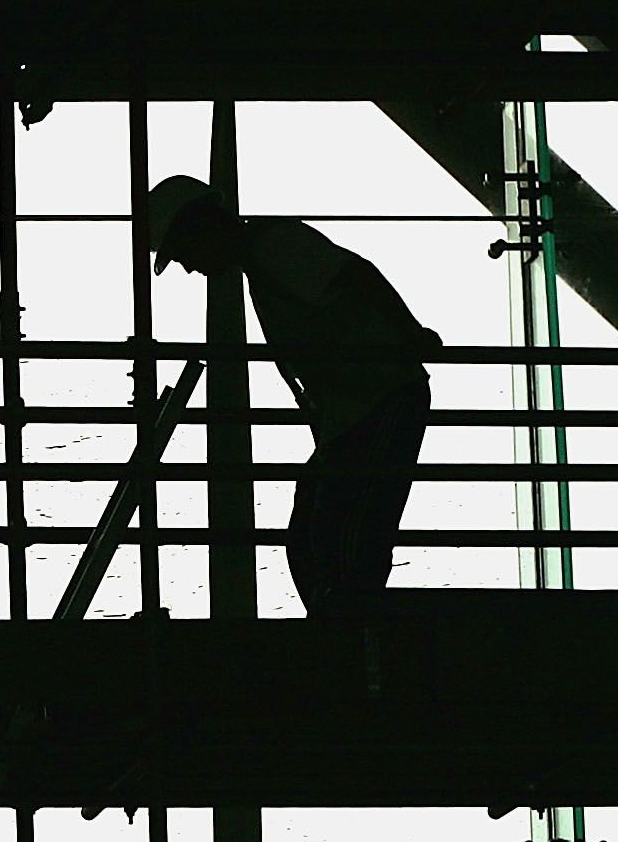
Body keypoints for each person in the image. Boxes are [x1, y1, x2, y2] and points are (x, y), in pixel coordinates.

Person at [144, 174, 440, 617]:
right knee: (326, 537)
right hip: (358, 409)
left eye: (184, 251)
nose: (189, 266)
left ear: (201, 227)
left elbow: (357, 276)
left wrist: (409, 332)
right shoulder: (266, 255)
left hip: (378, 399)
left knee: (343, 537)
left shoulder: (275, 249)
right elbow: (355, 279)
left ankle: (348, 631)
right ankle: (343, 627)